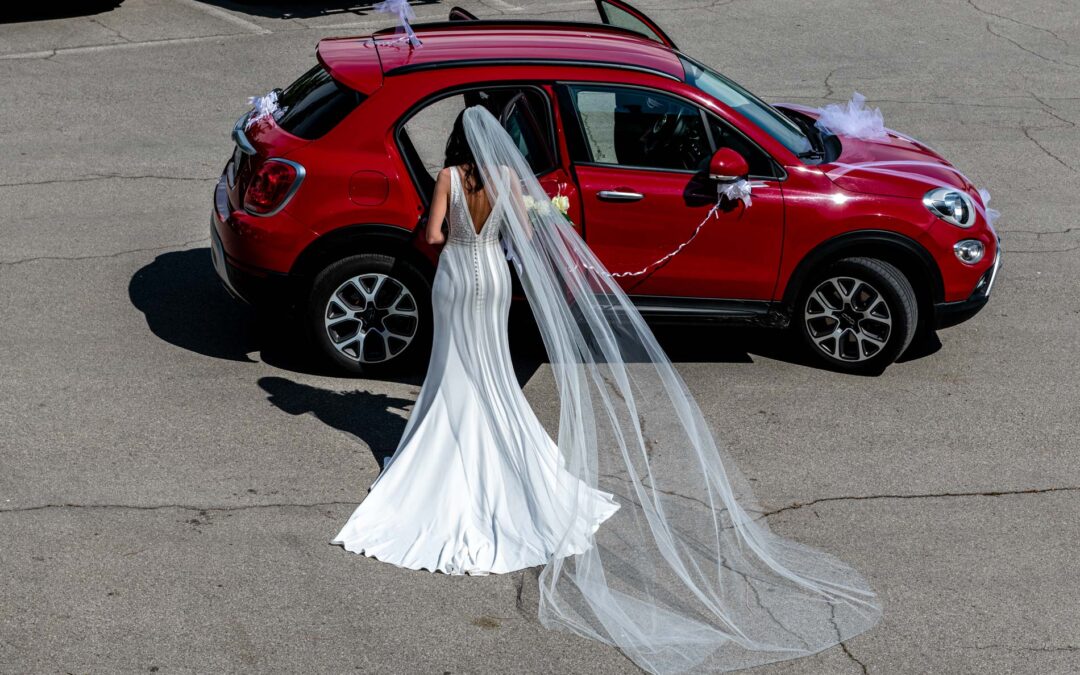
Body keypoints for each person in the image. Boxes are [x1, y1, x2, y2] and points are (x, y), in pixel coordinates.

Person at [333, 105, 881, 674]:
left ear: (453, 141)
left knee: (456, 365)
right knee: (492, 364)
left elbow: (433, 234)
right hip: (495, 279)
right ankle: (498, 440)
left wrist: (449, 229)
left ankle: (448, 440)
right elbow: (534, 224)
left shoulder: (448, 178)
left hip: (455, 277)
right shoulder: (508, 181)